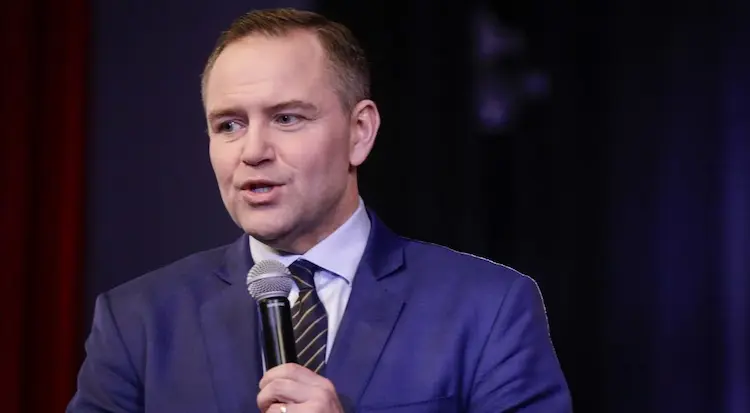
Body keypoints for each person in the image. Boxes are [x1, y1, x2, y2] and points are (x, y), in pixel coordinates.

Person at [68, 8, 572, 413]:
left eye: (287, 118)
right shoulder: (138, 321)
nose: (253, 151)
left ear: (360, 132)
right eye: (229, 125)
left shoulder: (488, 308)